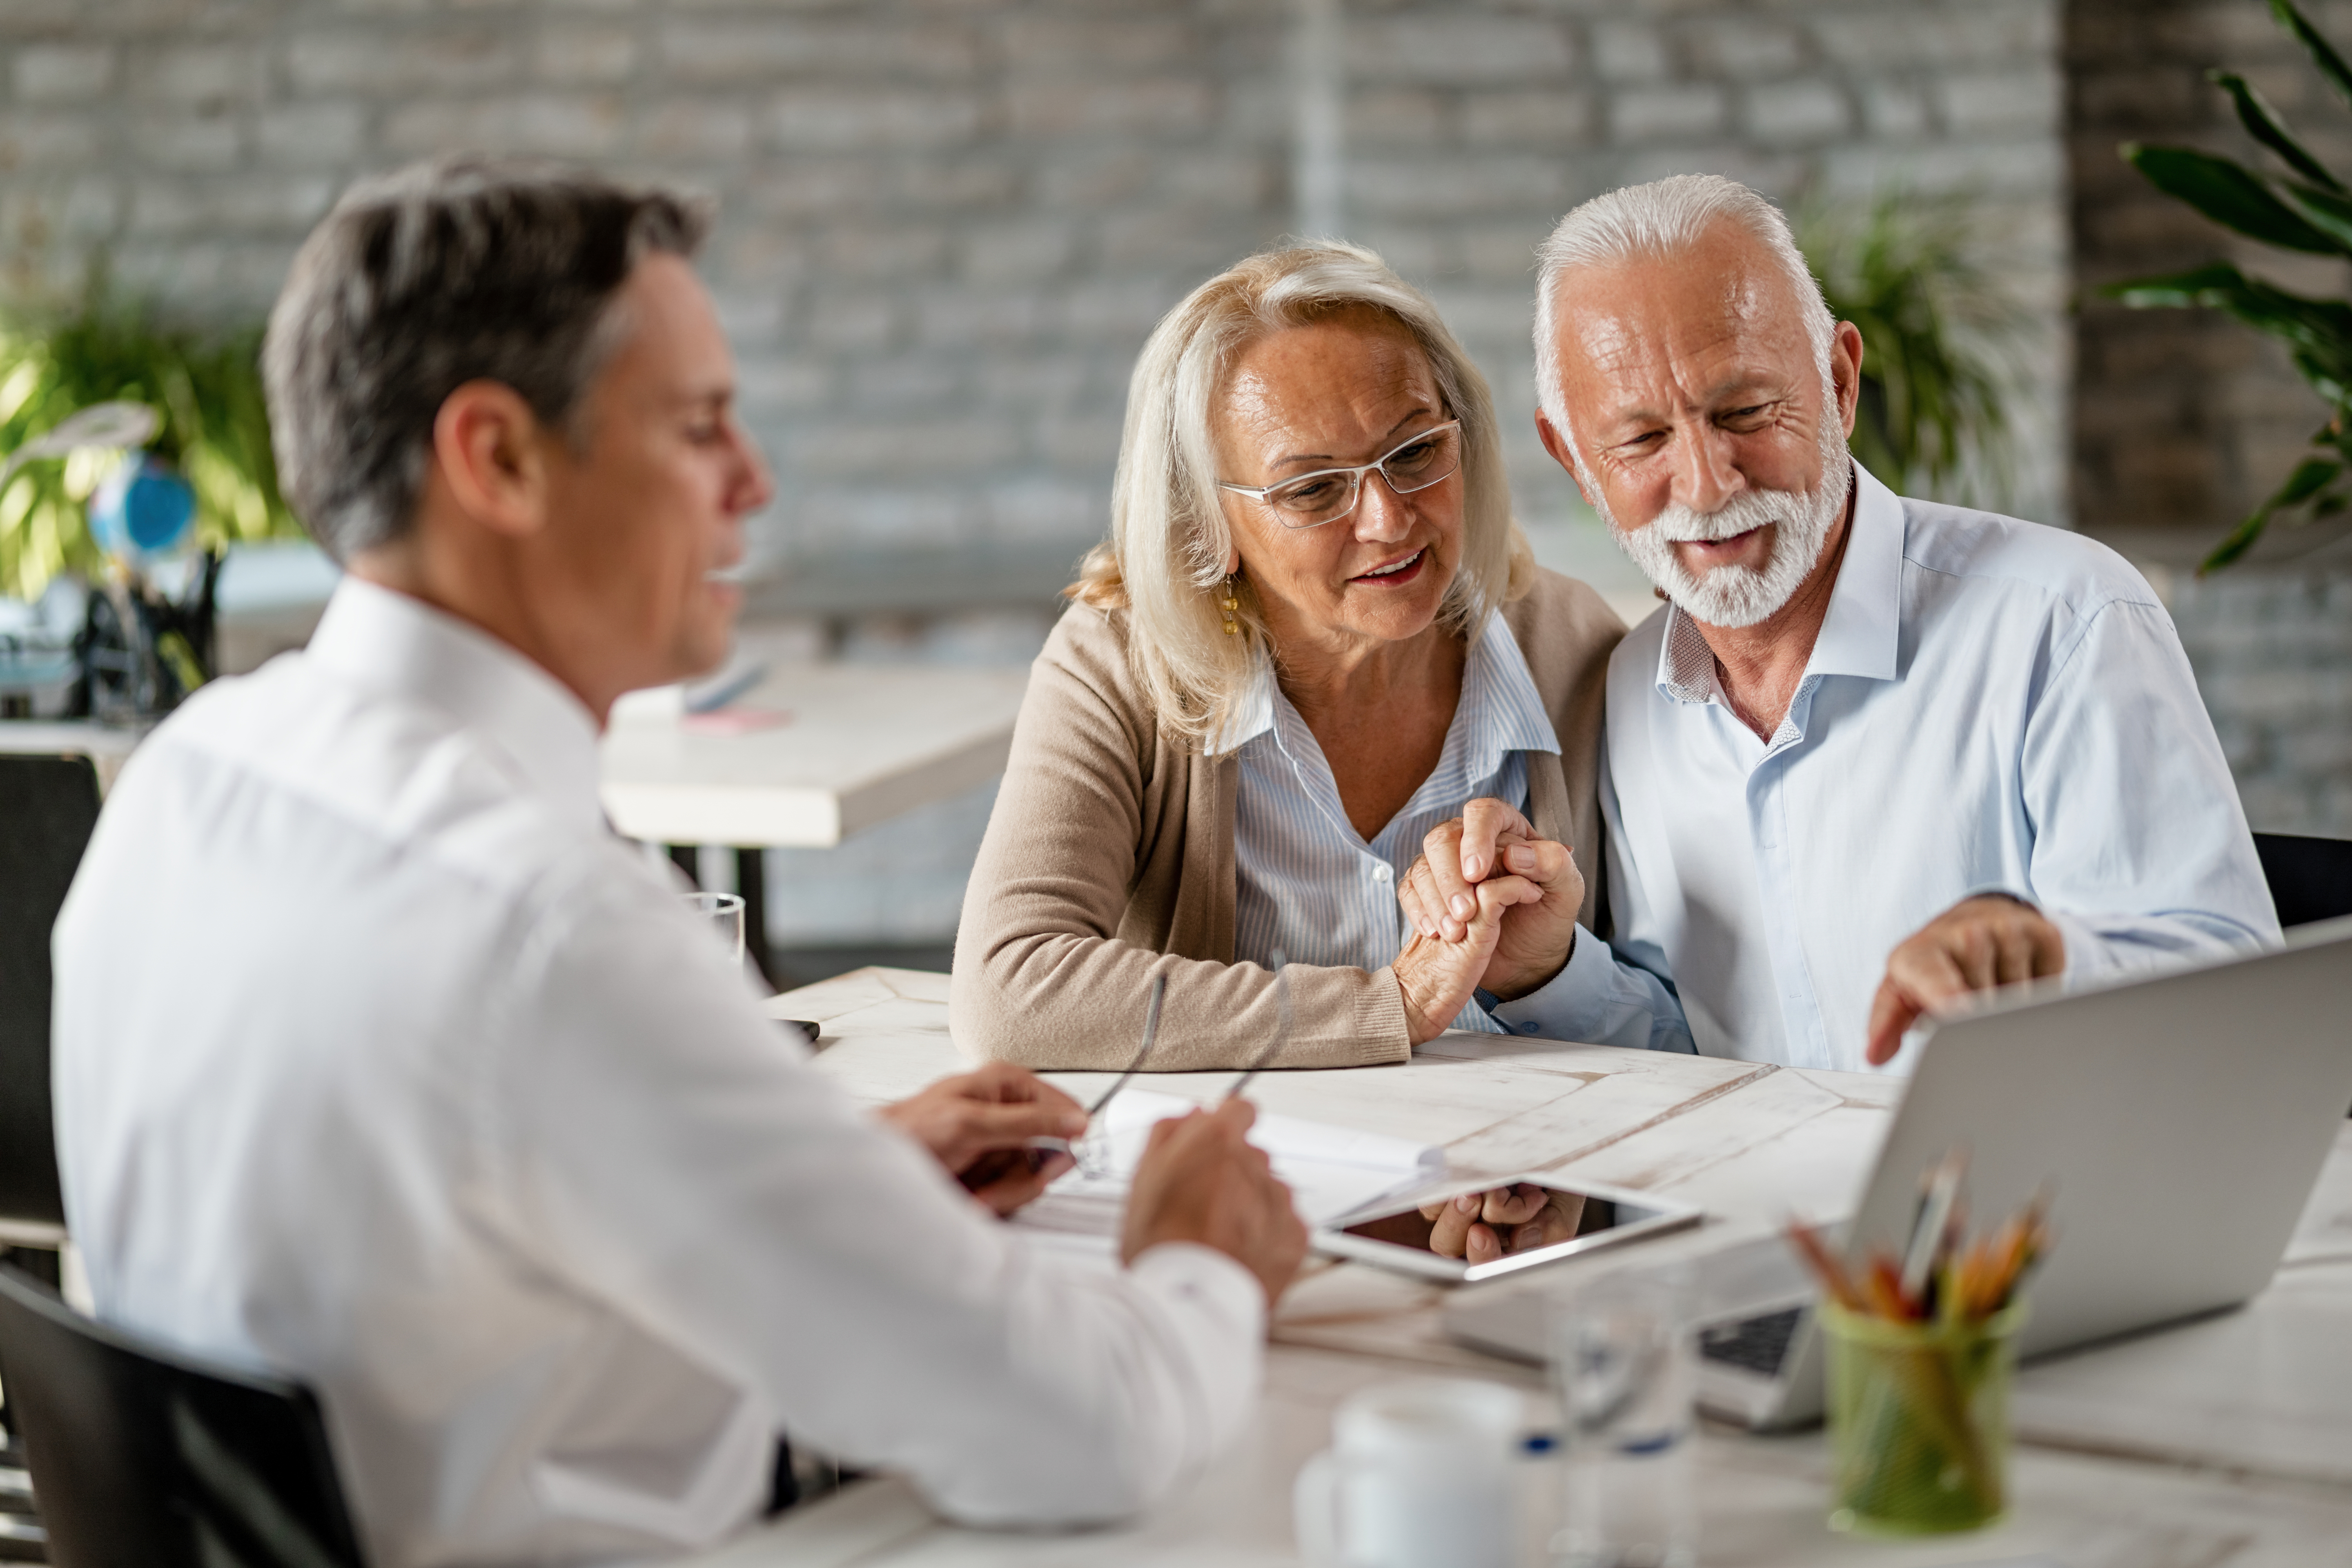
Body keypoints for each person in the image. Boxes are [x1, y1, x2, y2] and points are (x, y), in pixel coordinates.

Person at [51, 158, 1305, 1568]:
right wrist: (1197, 1259)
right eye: (702, 427)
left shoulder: (187, 779)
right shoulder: (548, 928)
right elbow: (1085, 1434)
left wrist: (817, 1176)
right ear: (499, 460)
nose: (754, 483)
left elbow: (422, 1236)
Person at [1401, 172, 2278, 1080]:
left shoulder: (2065, 619)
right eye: (1642, 442)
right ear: (1578, 465)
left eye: (1744, 411)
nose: (1707, 485)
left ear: (1840, 383)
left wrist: (2049, 962)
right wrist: (1549, 969)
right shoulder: (1632, 688)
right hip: (1766, 1217)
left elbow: (2236, 1001)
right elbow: (1698, 1054)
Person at [951, 242, 1671, 1073]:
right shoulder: (1119, 664)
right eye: (1313, 489)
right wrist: (1389, 1005)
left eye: (1413, 454)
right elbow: (1009, 991)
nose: (1387, 522)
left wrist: (1550, 972)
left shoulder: (1576, 646)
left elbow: (1686, 1027)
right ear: (1205, 528)